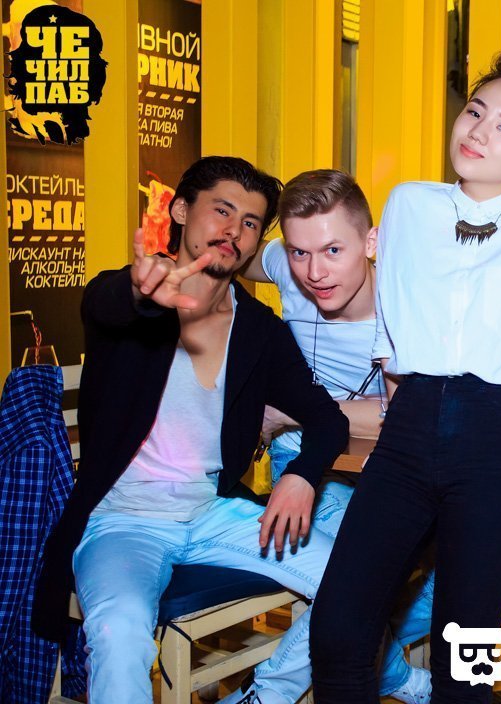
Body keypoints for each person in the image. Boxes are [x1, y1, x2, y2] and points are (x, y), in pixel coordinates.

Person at [309, 51, 501, 703]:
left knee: (461, 658)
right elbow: (391, 339)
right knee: (337, 630)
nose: (478, 131)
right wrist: (395, 426)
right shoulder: (409, 205)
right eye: (475, 112)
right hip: (409, 434)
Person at [31, 156, 350, 704]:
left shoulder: (259, 330)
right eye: (221, 211)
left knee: (354, 583)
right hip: (122, 520)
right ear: (180, 210)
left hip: (211, 512)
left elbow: (328, 419)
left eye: (250, 222)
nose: (234, 230)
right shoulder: (133, 301)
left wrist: (301, 475)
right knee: (118, 631)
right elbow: (106, 302)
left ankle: (266, 696)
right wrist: (139, 292)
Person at [240, 169, 434, 703]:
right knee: (358, 572)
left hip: (388, 470)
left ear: (371, 243)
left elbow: (406, 418)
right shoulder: (287, 266)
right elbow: (235, 253)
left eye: (332, 250)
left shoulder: (407, 300)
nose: (315, 273)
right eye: (299, 253)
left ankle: (375, 658)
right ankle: (275, 693)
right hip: (308, 467)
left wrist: (292, 411)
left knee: (465, 566)